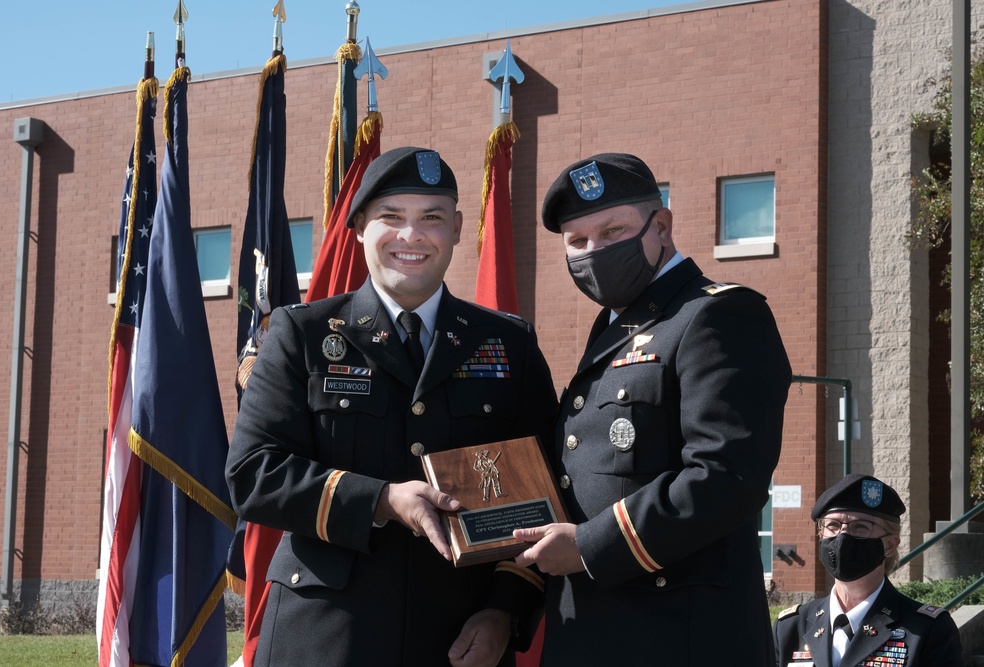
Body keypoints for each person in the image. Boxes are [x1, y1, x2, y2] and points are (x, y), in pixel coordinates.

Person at [226, 146, 558, 667]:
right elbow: (253, 475)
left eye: (432, 218)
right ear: (359, 227)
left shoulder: (508, 343)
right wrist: (381, 500)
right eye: (391, 217)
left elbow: (546, 492)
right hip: (326, 634)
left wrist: (504, 610)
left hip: (460, 637)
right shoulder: (303, 334)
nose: (412, 236)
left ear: (457, 228)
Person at [512, 152, 792, 664]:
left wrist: (589, 547)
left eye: (613, 231)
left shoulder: (719, 314)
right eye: (577, 242)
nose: (593, 251)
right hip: (592, 634)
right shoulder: (617, 329)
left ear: (661, 225)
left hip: (679, 639)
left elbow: (726, 475)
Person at [773, 473, 966, 666]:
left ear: (890, 545)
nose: (843, 537)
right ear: (821, 535)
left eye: (861, 527)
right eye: (833, 525)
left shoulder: (926, 630)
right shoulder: (791, 627)